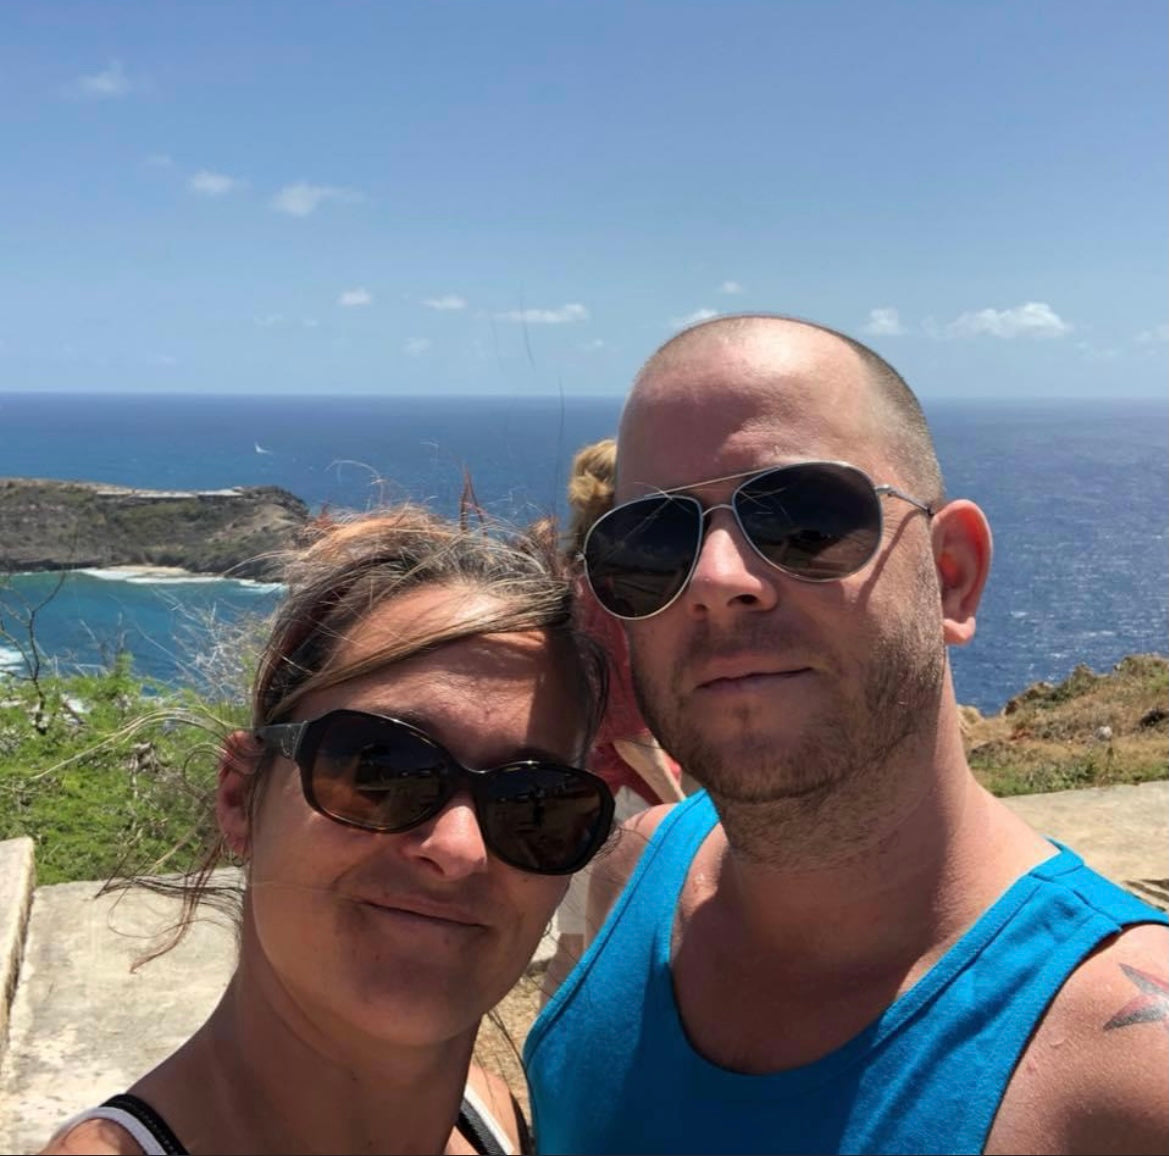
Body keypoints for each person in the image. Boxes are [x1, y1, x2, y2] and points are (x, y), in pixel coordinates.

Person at [524, 315, 1169, 1154]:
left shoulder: (1125, 1078)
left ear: (951, 576)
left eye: (802, 521)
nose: (716, 581)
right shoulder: (629, 878)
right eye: (651, 544)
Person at [43, 505, 614, 1155]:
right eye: (378, 767)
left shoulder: (490, 1118)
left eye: (534, 802)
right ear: (239, 798)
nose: (458, 849)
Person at [544, 441, 688, 997]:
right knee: (625, 953)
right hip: (628, 802)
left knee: (577, 945)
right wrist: (684, 814)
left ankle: (549, 1063)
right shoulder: (611, 596)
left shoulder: (571, 578)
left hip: (581, 792)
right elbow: (630, 735)